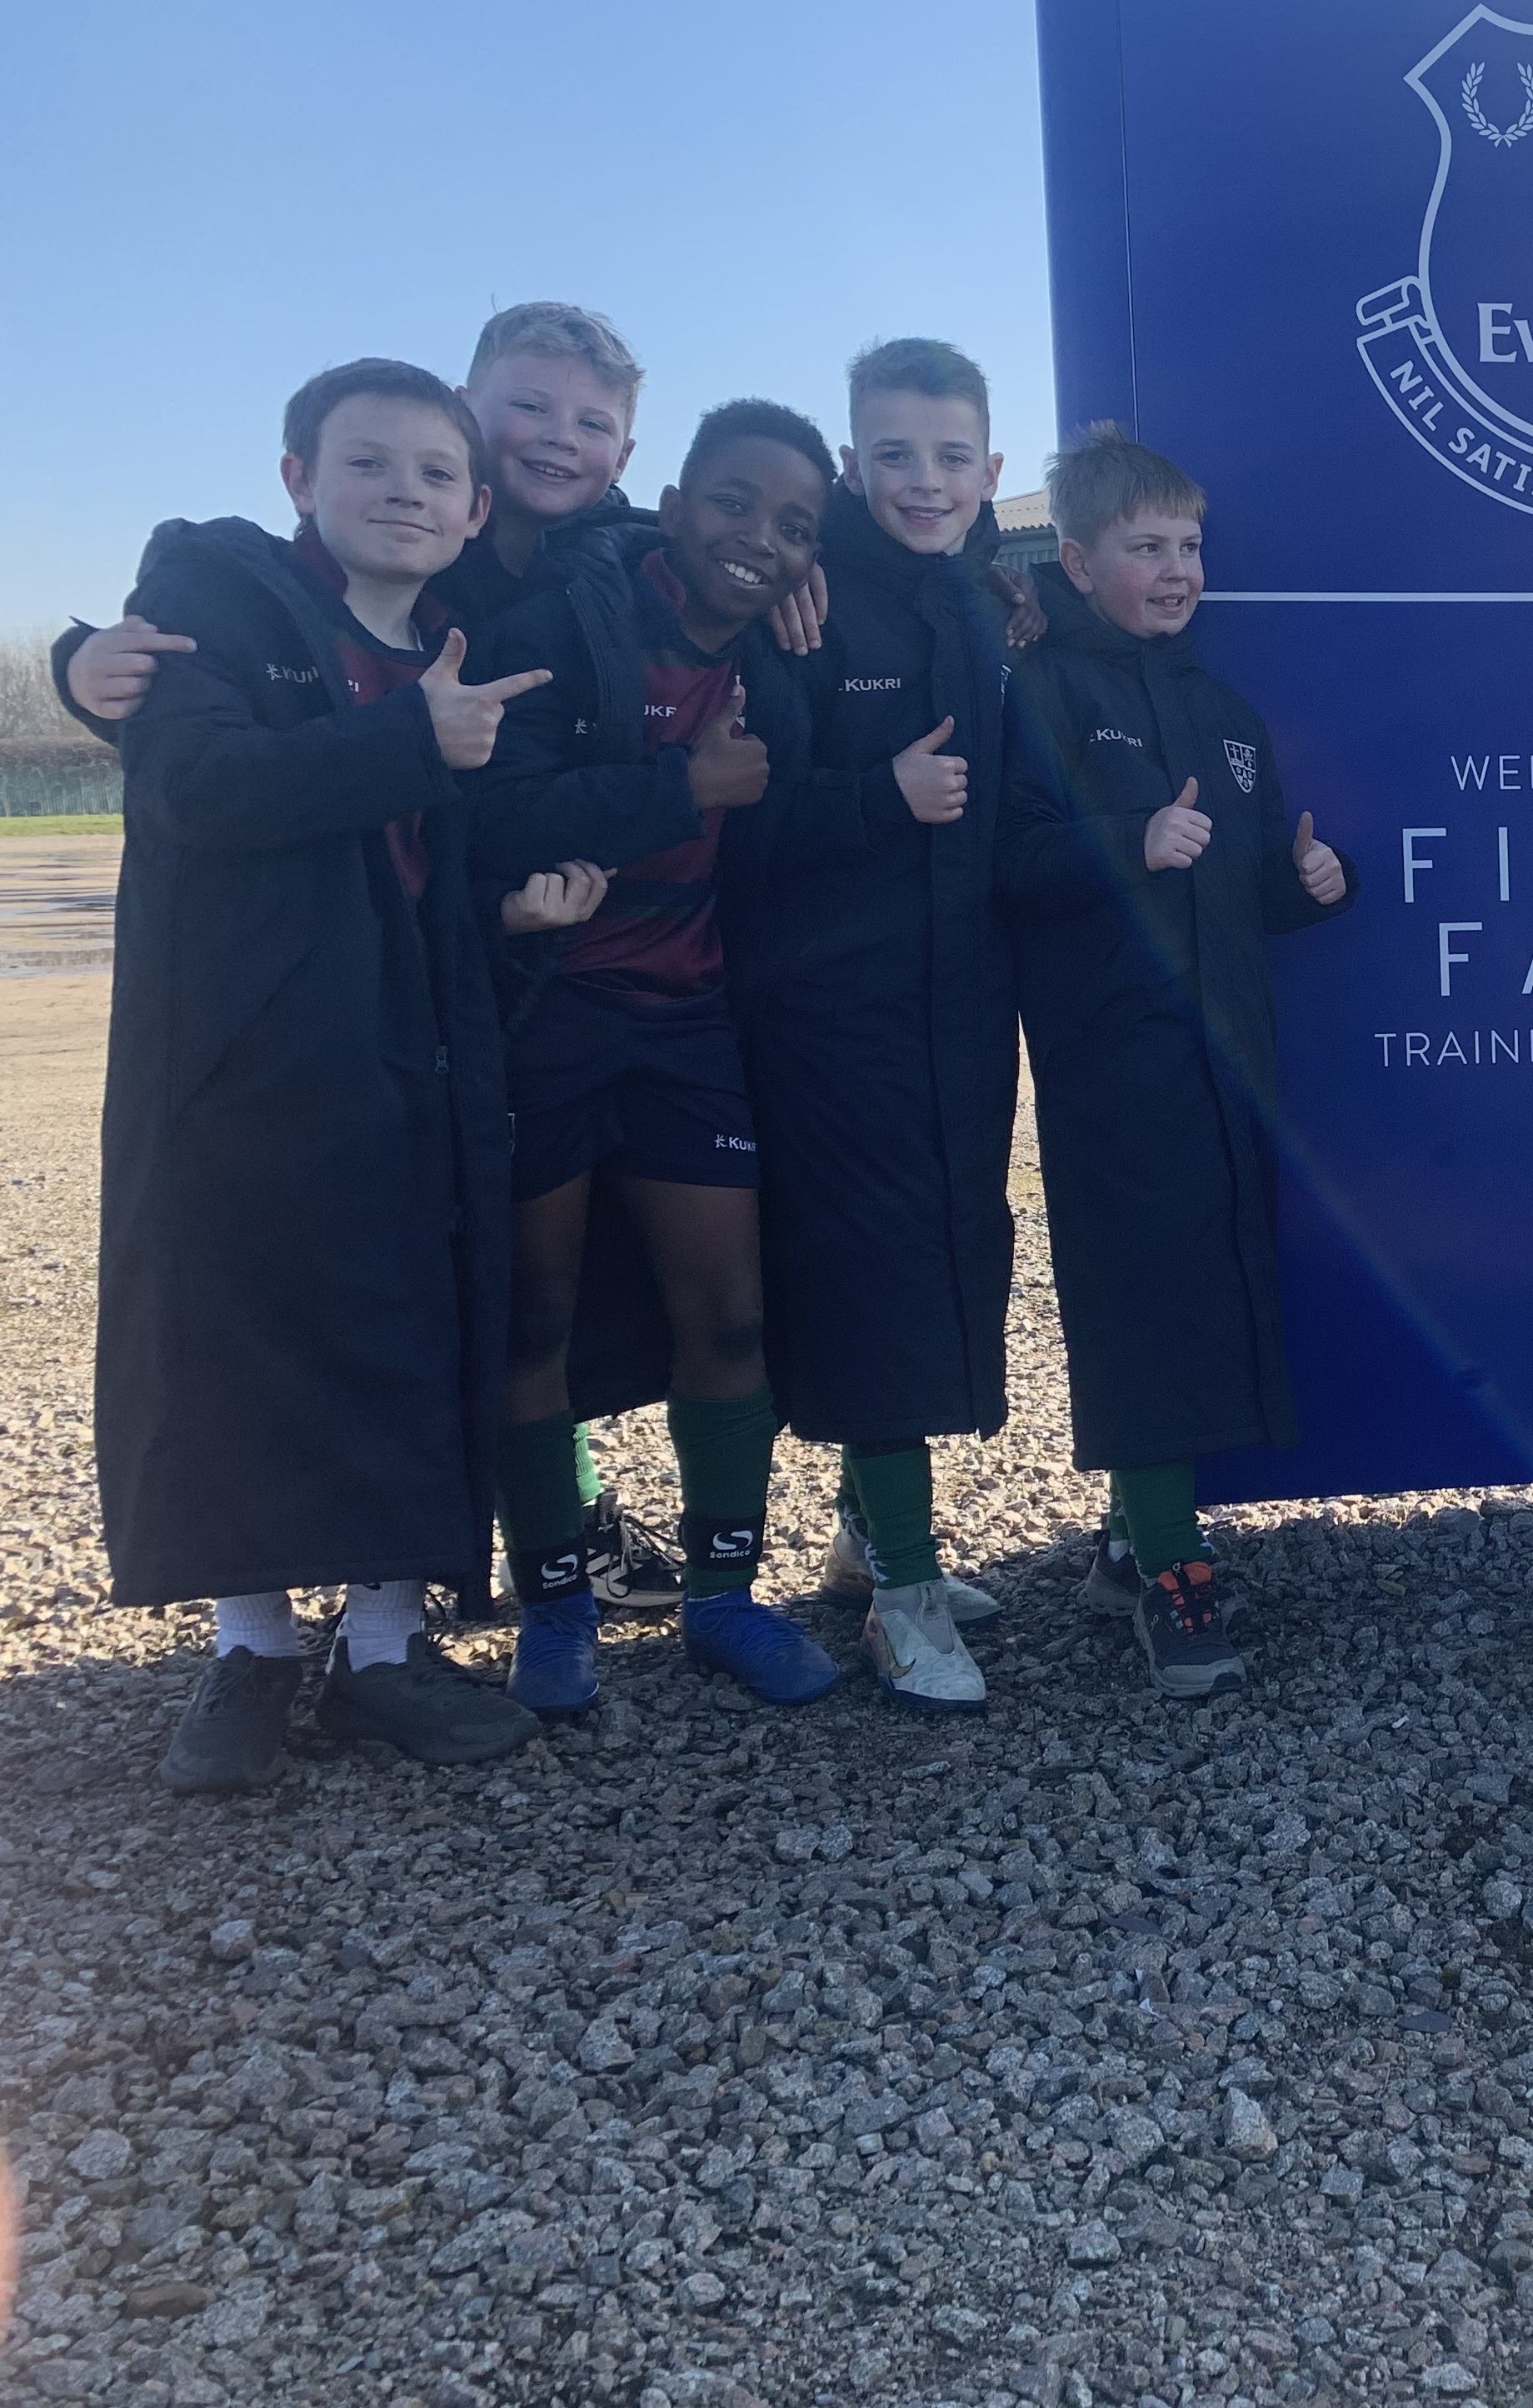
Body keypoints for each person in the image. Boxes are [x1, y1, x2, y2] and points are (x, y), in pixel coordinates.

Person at [62, 303, 696, 1613]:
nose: (554, 441)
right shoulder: (258, 584)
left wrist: (979, 566)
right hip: (271, 1029)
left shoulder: (598, 561)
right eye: (525, 410)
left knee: (456, 1313)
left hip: (449, 1015)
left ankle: (434, 1613)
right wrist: (80, 664)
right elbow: (198, 758)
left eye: (591, 424)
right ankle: (265, 1638)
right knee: (260, 1328)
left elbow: (714, 542)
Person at [87, 359, 570, 1791]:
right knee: (233, 1334)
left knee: (407, 1336)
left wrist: (509, 916)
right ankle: (250, 1651)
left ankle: (380, 1651)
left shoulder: (460, 643)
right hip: (242, 1050)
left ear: (478, 507)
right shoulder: (216, 592)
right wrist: (408, 737)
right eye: (370, 465)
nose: (404, 495)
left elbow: (418, 868)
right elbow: (200, 789)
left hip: (411, 1044)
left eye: (435, 475)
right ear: (299, 478)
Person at [467, 401, 863, 1716]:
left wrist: (1012, 608)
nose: (759, 539)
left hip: (690, 1023)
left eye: (795, 526)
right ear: (677, 503)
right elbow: (488, 816)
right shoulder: (572, 627)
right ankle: (557, 1609)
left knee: (733, 1317)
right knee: (537, 1317)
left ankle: (722, 1601)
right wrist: (678, 788)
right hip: (552, 1014)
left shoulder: (781, 659)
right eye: (736, 504)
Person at [1006, 426, 1359, 1697]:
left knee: (1208, 1296)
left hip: (1232, 1060)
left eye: (1189, 545)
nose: (1175, 569)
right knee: (1144, 1304)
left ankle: (1127, 1537)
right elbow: (1006, 862)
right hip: (1115, 1063)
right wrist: (1125, 836)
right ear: (1077, 555)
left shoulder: (1226, 710)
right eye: (1145, 547)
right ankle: (1170, 1569)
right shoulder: (1039, 693)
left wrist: (1316, 884)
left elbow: (1253, 887)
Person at [755, 337, 1030, 1708]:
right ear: (852, 462)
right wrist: (875, 796)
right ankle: (906, 1597)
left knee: (946, 1258)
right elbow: (732, 813)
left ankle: (870, 1542)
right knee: (874, 1284)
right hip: (834, 1011)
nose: (928, 481)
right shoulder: (796, 607)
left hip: (962, 1000)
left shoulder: (982, 600)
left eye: (954, 456)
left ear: (993, 467)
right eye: (898, 455)